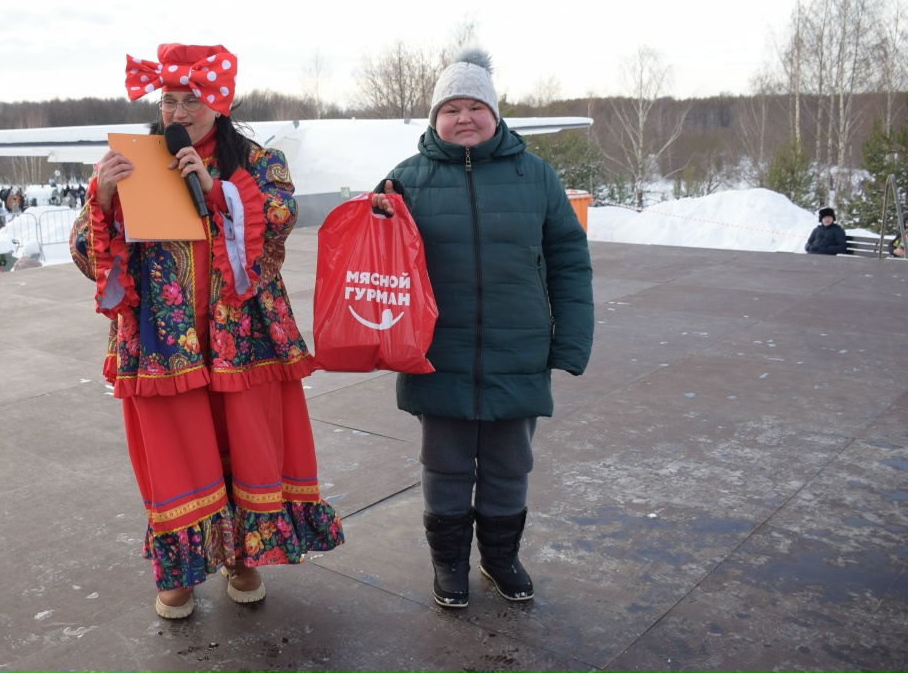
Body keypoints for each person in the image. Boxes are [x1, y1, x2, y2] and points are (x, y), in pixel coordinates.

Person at [70, 42, 343, 620]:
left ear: (219, 101)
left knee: (242, 447)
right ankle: (182, 568)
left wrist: (218, 192)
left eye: (191, 100)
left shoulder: (259, 163)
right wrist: (102, 198)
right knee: (176, 454)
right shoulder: (133, 163)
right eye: (168, 100)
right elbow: (87, 258)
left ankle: (242, 558)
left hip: (242, 339)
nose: (178, 112)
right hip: (163, 344)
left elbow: (276, 230)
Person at [371, 48, 594, 607]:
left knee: (508, 464)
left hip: (516, 348)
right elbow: (375, 260)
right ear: (434, 118)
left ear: (495, 115)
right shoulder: (405, 178)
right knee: (444, 465)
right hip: (435, 350)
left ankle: (500, 559)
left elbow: (568, 257)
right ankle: (449, 566)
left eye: (476, 106)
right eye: (451, 108)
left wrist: (569, 340)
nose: (464, 117)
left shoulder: (534, 174)